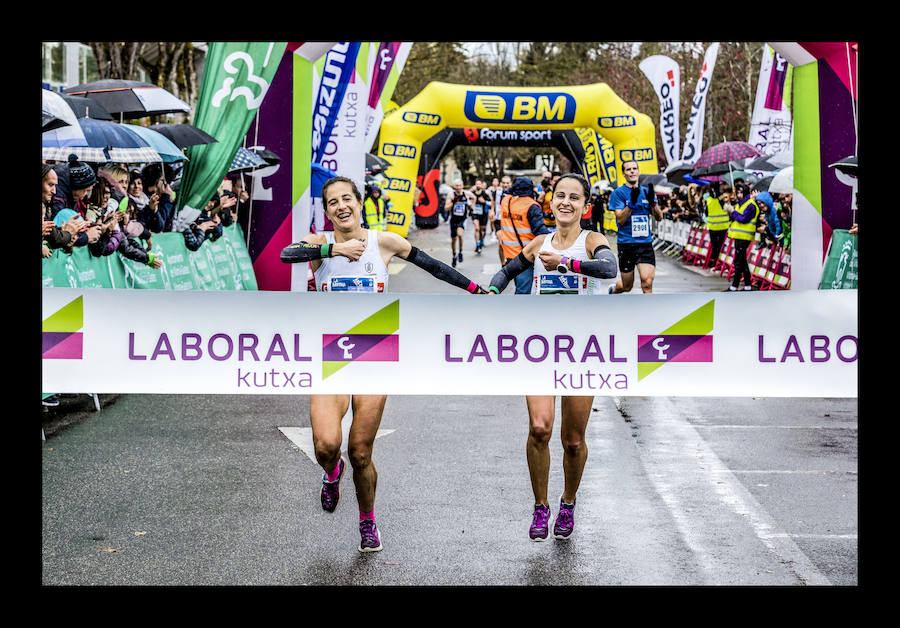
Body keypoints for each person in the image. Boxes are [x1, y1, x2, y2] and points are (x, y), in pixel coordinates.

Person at [279, 176, 486, 553]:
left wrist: (475, 290)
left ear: (359, 203)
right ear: (327, 212)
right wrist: (335, 250)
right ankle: (332, 473)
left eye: (347, 199)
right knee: (326, 446)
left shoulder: (383, 242)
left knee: (360, 451)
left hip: (375, 352)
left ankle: (367, 519)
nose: (341, 206)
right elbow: (286, 254)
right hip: (330, 355)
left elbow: (433, 266)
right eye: (332, 202)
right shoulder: (318, 242)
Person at [487, 173, 618, 541]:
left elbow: (609, 270)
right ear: (551, 201)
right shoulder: (539, 243)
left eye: (574, 197)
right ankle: (541, 506)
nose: (566, 202)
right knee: (540, 428)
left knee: (573, 440)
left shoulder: (591, 241)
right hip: (541, 350)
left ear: (585, 207)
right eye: (560, 195)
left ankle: (568, 502)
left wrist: (565, 263)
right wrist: (493, 291)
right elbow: (507, 271)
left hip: (582, 353)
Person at [608, 160, 663, 294]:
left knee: (647, 282)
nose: (632, 171)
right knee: (627, 287)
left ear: (638, 172)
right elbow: (620, 219)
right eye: (628, 169)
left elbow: (659, 217)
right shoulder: (618, 193)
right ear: (624, 174)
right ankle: (614, 290)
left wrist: (653, 204)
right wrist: (631, 204)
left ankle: (648, 308)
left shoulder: (647, 192)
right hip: (626, 244)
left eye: (634, 168)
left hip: (645, 244)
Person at [497, 176, 552, 293]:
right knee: (523, 292)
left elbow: (507, 193)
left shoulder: (506, 201)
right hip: (525, 256)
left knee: (519, 287)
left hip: (509, 254)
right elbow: (540, 232)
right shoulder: (532, 206)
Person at [726, 182, 760, 291]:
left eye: (741, 192)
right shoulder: (739, 204)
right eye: (738, 192)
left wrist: (732, 212)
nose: (739, 195)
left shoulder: (751, 204)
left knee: (739, 261)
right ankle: (747, 285)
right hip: (738, 236)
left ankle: (735, 285)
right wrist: (730, 211)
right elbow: (736, 218)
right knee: (742, 261)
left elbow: (743, 219)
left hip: (744, 237)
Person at [444, 179, 473, 267]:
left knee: (460, 235)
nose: (458, 187)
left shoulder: (466, 194)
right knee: (454, 239)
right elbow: (446, 208)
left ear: (462, 186)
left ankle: (460, 251)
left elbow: (474, 197)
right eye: (457, 186)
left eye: (460, 185)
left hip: (463, 219)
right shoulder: (451, 195)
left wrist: (472, 206)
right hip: (453, 219)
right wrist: (453, 202)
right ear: (454, 187)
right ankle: (454, 255)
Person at [703, 184, 732, 268]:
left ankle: (715, 262)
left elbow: (706, 213)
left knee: (715, 246)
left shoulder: (708, 200)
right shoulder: (723, 199)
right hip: (723, 226)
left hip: (713, 227)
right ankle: (718, 262)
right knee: (721, 246)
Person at [469, 178, 492, 254]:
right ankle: (477, 245)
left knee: (482, 231)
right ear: (475, 185)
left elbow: (491, 203)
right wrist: (471, 204)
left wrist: (484, 201)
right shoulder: (472, 193)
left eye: (479, 184)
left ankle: (481, 241)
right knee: (476, 228)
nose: (478, 185)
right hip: (475, 213)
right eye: (477, 184)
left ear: (482, 185)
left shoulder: (485, 193)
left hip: (483, 214)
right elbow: (467, 200)